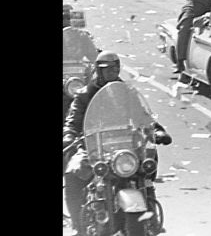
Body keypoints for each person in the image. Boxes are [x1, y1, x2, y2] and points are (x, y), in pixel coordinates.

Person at [63, 51, 172, 236]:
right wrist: (69, 135)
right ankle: (78, 226)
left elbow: (143, 116)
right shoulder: (84, 94)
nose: (112, 73)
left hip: (125, 147)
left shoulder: (127, 92)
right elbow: (73, 120)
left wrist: (157, 130)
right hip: (94, 147)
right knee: (72, 174)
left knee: (145, 170)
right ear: (98, 70)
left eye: (114, 68)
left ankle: (150, 215)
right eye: (107, 69)